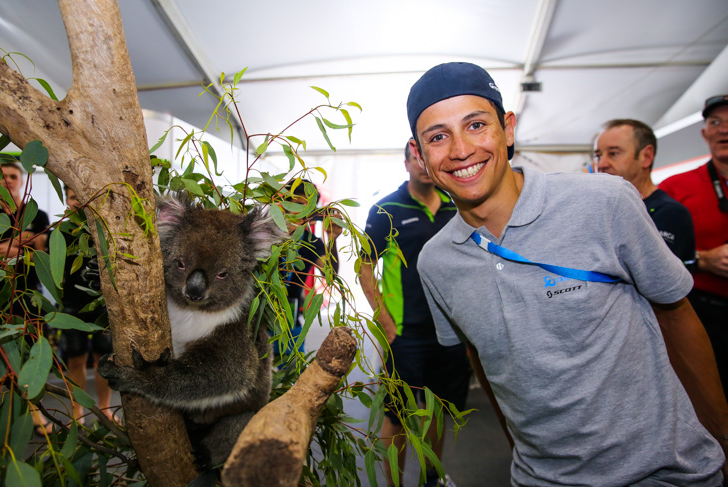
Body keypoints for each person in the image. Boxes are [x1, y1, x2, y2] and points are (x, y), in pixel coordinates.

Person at [408, 62, 728, 486]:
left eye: (476, 124)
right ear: (420, 154)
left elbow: (676, 314)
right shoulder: (436, 262)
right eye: (438, 137)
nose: (461, 149)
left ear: (508, 128)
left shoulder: (604, 202)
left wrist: (723, 438)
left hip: (664, 472)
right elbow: (483, 359)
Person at [360, 141, 469, 487]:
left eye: (428, 156)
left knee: (439, 410)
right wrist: (384, 320)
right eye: (416, 158)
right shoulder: (386, 209)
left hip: (450, 332)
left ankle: (431, 478)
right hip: (405, 334)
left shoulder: (456, 205)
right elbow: (364, 265)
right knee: (399, 415)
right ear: (406, 163)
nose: (423, 164)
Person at [660, 94, 728, 401]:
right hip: (705, 313)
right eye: (715, 122)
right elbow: (654, 256)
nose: (723, 129)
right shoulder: (675, 188)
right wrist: (701, 259)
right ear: (705, 133)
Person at [594, 118, 695, 263]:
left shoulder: (670, 214)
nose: (601, 164)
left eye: (613, 153)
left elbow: (655, 275)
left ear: (646, 157)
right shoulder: (600, 210)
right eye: (598, 155)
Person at [0, 161, 51, 434]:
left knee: (32, 353)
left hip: (29, 293)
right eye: (3, 176)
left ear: (22, 180)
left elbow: (42, 250)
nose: (8, 180)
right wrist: (20, 243)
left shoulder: (37, 215)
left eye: (13, 176)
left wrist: (8, 247)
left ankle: (34, 413)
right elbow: (26, 246)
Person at [58, 186, 112, 421]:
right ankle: (76, 413)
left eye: (81, 197)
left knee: (105, 359)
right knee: (75, 359)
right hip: (71, 305)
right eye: (72, 197)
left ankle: (105, 410)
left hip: (103, 305)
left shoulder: (104, 231)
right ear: (67, 201)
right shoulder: (60, 231)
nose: (78, 202)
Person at [280, 179, 341, 356]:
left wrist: (332, 240)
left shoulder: (312, 242)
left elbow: (330, 275)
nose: (303, 212)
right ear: (284, 205)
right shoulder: (266, 234)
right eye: (299, 204)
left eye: (309, 207)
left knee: (290, 373)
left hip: (292, 323)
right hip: (259, 322)